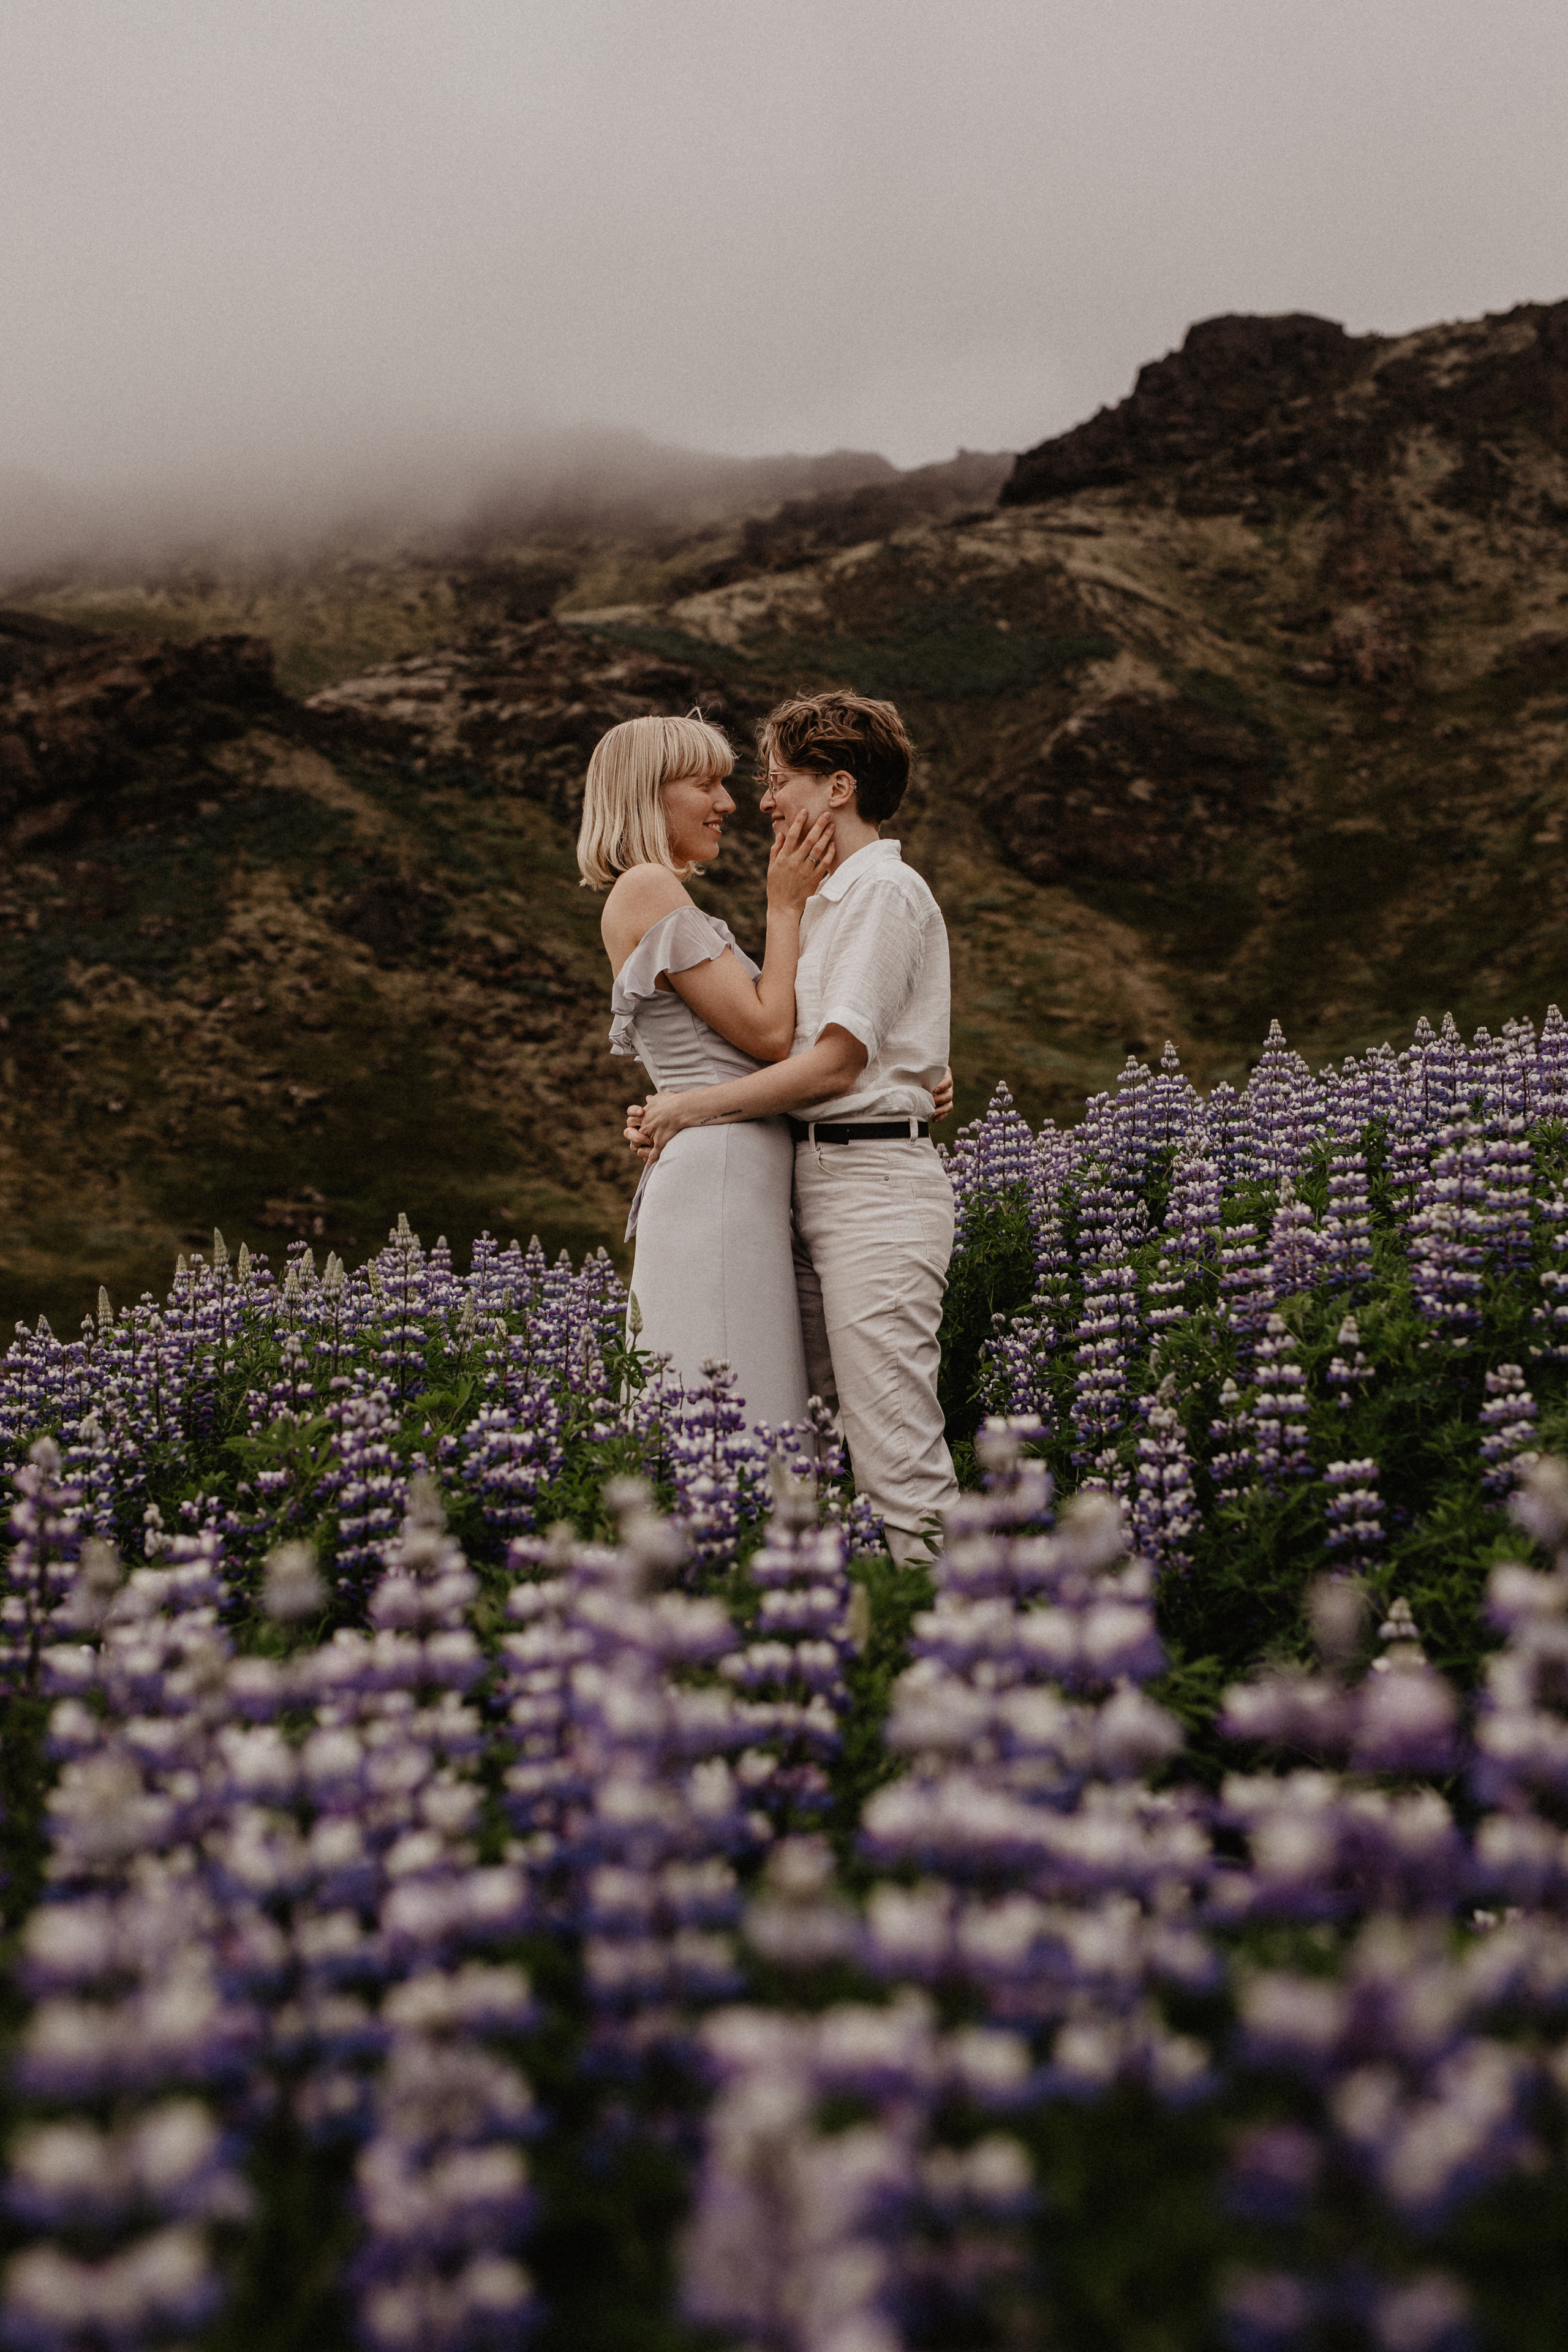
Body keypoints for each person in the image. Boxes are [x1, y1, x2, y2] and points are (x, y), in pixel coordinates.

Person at [630, 690, 960, 1565]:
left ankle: (966, 1663)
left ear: (838, 787)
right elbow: (838, 1047)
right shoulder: (825, 901)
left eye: (779, 780)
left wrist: (688, 1106)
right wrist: (915, 1069)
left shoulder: (882, 889)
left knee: (895, 1458)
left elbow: (834, 1066)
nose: (764, 800)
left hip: (875, 1191)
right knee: (822, 1453)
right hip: (817, 1184)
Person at [578, 710, 837, 1428]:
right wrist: (783, 906)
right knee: (733, 1401)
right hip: (718, 1172)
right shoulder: (649, 887)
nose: (727, 804)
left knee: (746, 1392)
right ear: (647, 794)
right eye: (706, 784)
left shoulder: (658, 891)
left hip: (728, 1163)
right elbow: (766, 1033)